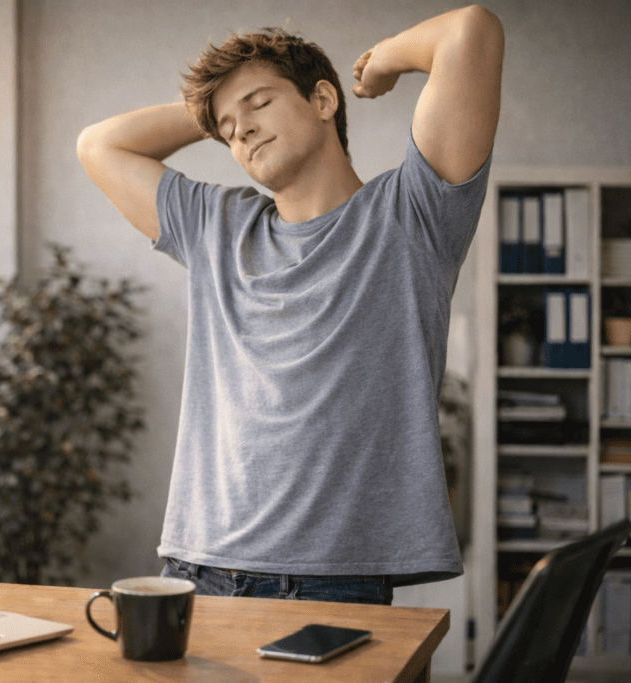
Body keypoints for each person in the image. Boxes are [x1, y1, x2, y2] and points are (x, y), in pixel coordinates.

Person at [76, 6, 504, 604]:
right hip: (198, 569)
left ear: (323, 100)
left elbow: (471, 31)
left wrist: (381, 62)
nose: (242, 130)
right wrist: (215, 112)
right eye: (229, 128)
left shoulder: (411, 216)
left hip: (333, 580)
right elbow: (100, 145)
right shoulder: (217, 229)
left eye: (259, 103)